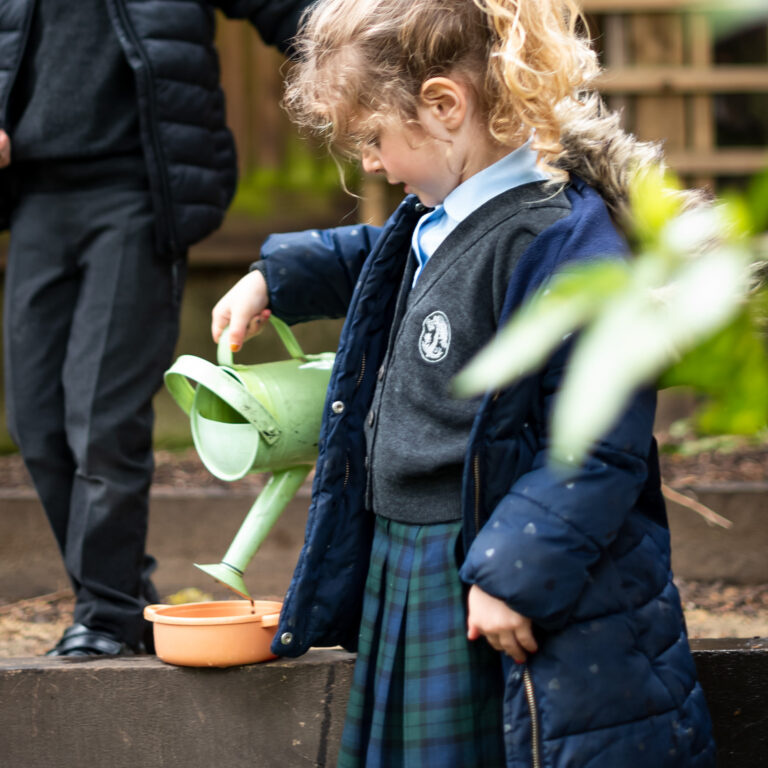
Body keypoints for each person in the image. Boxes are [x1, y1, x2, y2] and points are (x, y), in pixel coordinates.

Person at [212, 0, 716, 765]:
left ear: (445, 106)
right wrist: (273, 278)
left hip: (485, 567)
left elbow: (595, 441)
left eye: (374, 138)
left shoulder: (557, 241)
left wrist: (515, 572)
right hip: (406, 555)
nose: (372, 165)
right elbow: (377, 256)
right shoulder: (438, 213)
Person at [0, 0, 313, 657]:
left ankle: (107, 614)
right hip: (34, 196)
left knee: (101, 416)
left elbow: (294, 10)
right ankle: (122, 596)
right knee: (37, 421)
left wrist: (385, 52)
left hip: (136, 190)